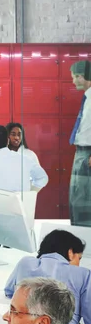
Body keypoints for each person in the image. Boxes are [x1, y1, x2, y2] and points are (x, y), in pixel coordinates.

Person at [5, 229, 90, 324]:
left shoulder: (25, 263)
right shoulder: (83, 274)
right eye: (79, 258)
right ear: (70, 252)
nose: (79, 263)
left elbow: (9, 290)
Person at [0, 125, 48, 192]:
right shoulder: (25, 159)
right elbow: (43, 178)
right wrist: (30, 193)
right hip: (22, 205)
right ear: (8, 140)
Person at [69, 60, 91, 226]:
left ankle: (84, 237)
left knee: (83, 197)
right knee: (78, 195)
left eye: (76, 76)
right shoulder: (88, 97)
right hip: (82, 152)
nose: (73, 81)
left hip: (87, 153)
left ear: (83, 76)